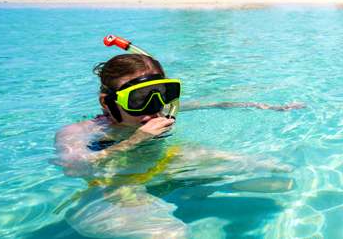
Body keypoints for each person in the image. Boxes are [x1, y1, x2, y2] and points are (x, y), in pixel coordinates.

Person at [55, 38, 302, 237]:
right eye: (138, 99)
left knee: (273, 167)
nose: (154, 107)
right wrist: (134, 141)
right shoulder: (79, 132)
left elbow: (214, 103)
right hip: (116, 188)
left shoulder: (161, 109)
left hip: (168, 162)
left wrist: (268, 106)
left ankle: (190, 191)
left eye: (160, 94)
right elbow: (74, 168)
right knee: (170, 234)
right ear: (107, 103)